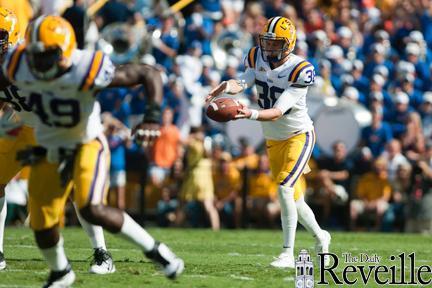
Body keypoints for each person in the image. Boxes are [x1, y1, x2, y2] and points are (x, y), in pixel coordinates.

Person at [1, 15, 183, 287]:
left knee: (90, 206)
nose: (42, 63)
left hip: (84, 142)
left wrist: (152, 117)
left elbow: (148, 73)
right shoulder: (15, 65)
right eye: (38, 55)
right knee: (40, 223)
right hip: (44, 141)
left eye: (50, 54)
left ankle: (155, 251)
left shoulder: (85, 66)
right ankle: (61, 272)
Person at [207, 16, 330, 268]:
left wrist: (247, 112)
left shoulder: (300, 69)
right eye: (267, 42)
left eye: (276, 44)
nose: (270, 48)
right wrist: (228, 86)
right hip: (273, 137)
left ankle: (287, 253)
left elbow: (277, 111)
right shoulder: (256, 57)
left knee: (284, 188)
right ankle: (321, 236)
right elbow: (244, 81)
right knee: (294, 198)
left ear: (290, 44)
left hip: (299, 135)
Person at [0, 8, 116, 274]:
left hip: (56, 129)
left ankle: (101, 252)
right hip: (21, 124)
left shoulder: (28, 59)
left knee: (77, 191)